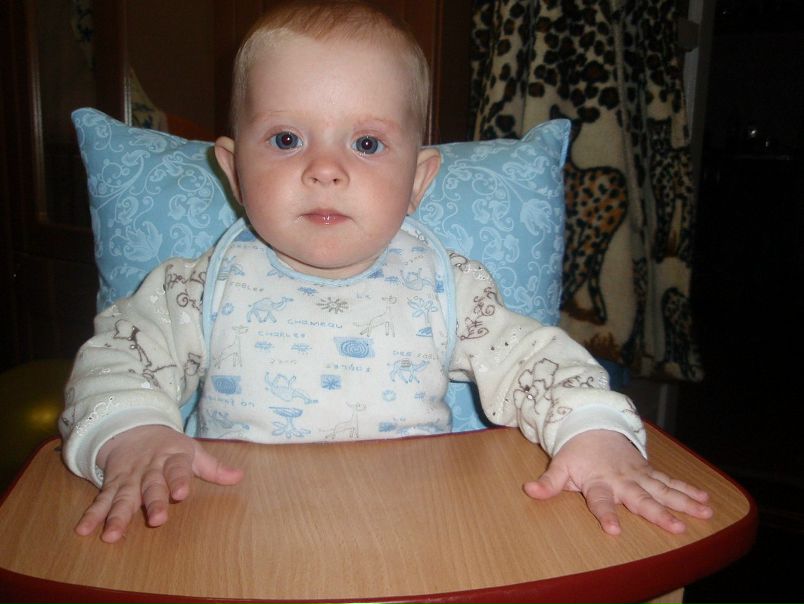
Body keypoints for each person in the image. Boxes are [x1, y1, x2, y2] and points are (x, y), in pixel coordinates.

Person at [60, 0, 712, 544]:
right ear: (233, 171)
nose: (325, 169)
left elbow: (538, 361)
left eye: (366, 144)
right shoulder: (197, 287)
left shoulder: (447, 286)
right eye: (286, 140)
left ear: (418, 181)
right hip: (239, 540)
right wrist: (134, 432)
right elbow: (118, 358)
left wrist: (593, 432)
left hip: (413, 539)